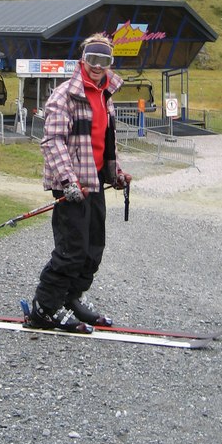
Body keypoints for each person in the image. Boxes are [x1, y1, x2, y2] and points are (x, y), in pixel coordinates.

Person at [26, 32, 132, 333]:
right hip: (71, 186)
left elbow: (104, 141)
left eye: (104, 60)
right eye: (92, 59)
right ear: (82, 60)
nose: (97, 66)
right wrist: (68, 181)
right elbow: (52, 141)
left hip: (94, 181)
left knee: (93, 249)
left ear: (110, 63)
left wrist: (116, 173)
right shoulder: (64, 96)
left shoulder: (105, 95)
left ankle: (70, 299)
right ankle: (44, 309)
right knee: (71, 250)